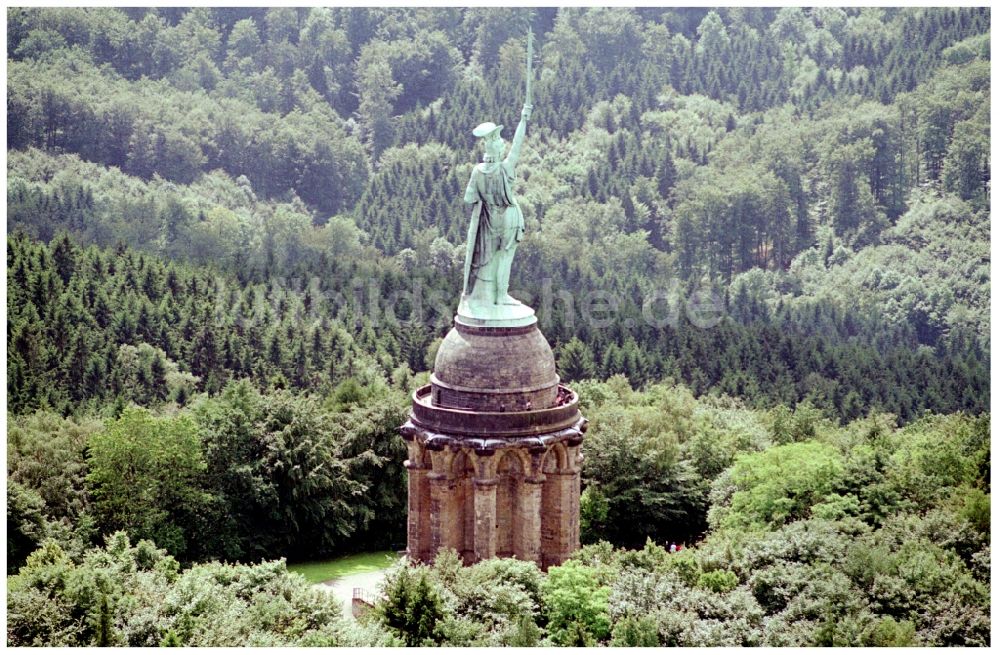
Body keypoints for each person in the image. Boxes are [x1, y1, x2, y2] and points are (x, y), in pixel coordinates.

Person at [461, 103, 532, 308]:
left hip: (490, 220)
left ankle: (488, 294)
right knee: (504, 258)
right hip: (509, 217)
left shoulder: (478, 171)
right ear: (499, 150)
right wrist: (523, 120)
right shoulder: (505, 168)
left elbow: (469, 199)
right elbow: (518, 145)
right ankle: (501, 296)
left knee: (490, 258)